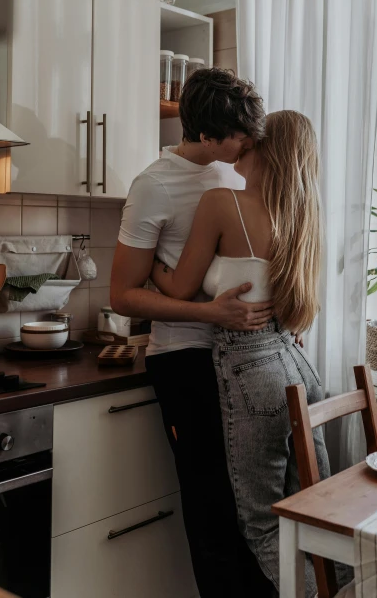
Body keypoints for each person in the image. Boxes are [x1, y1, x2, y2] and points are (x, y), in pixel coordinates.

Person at [150, 110, 330, 596]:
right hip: (297, 367)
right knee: (314, 510)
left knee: (261, 524)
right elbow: (295, 312)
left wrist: (153, 269)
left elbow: (183, 287)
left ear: (263, 149)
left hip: (252, 373)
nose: (240, 147)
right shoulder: (301, 217)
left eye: (250, 141)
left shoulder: (220, 202)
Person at [110, 68, 276, 598]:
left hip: (243, 359)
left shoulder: (233, 173)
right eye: (236, 134)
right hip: (184, 362)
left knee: (249, 505)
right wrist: (213, 316)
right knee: (211, 509)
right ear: (205, 136)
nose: (248, 142)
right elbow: (121, 294)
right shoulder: (153, 186)